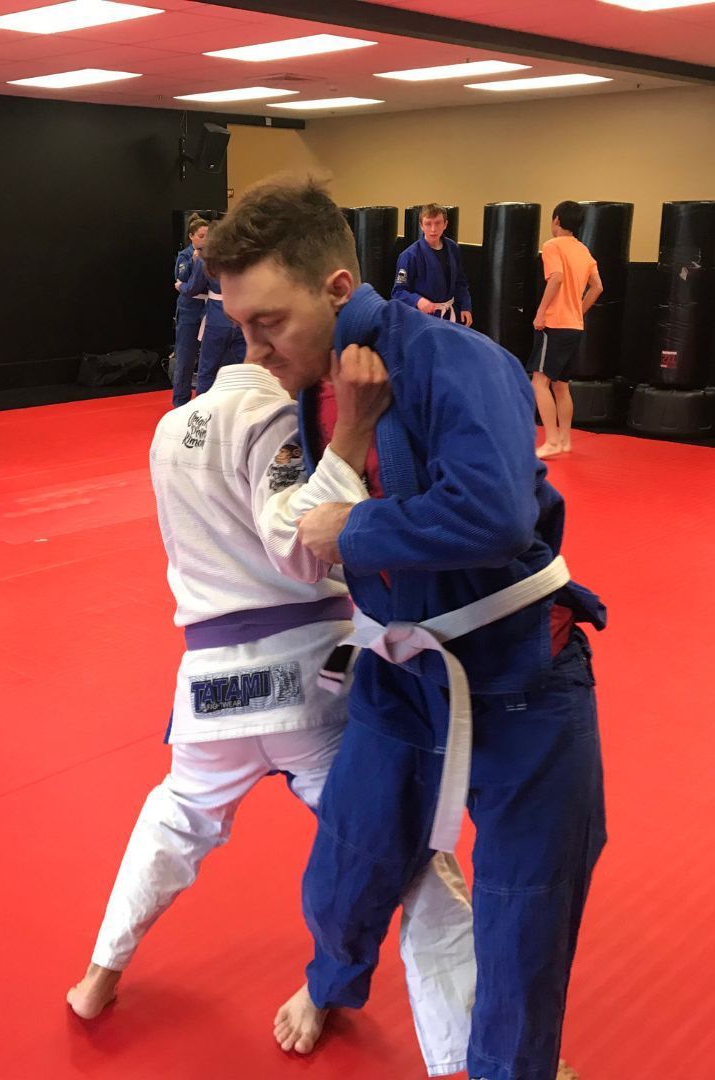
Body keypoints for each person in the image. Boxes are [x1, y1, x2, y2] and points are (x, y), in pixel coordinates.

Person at [209, 177, 606, 1080]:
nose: (255, 349)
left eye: (269, 322)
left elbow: (497, 513)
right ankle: (332, 980)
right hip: (401, 670)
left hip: (521, 677)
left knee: (524, 908)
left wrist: (352, 529)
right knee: (349, 857)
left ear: (338, 291)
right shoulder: (317, 386)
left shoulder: (452, 361)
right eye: (242, 328)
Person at [67, 358, 477, 1077]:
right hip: (304, 679)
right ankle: (465, 1055)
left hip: (208, 683)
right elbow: (298, 552)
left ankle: (100, 972)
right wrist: (349, 441)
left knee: (176, 815)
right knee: (406, 850)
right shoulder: (278, 421)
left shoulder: (167, 430)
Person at [528, 201, 603, 459]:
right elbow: (597, 287)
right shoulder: (584, 250)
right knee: (560, 385)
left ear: (556, 220)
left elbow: (557, 277)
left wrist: (541, 312)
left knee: (539, 382)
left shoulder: (552, 246)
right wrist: (578, 310)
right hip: (573, 326)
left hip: (555, 324)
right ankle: (564, 439)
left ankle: (550, 441)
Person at [392, 204, 473, 326]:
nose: (433, 229)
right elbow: (398, 292)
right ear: (421, 226)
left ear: (445, 224)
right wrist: (418, 300)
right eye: (428, 224)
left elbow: (460, 282)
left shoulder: (452, 248)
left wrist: (465, 306)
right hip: (423, 319)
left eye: (438, 223)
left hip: (450, 314)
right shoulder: (409, 256)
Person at [183, 250, 246, 395]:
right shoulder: (244, 256)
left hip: (216, 319)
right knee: (250, 368)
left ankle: (202, 411)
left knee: (207, 370)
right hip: (241, 317)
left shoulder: (205, 259)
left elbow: (193, 288)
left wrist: (181, 286)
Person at [171, 216, 209, 407]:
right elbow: (181, 280)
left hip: (209, 307)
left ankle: (205, 401)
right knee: (185, 357)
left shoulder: (212, 255)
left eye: (208, 235)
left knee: (209, 359)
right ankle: (180, 402)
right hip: (189, 307)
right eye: (201, 236)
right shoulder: (185, 255)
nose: (205, 239)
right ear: (191, 237)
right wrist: (195, 263)